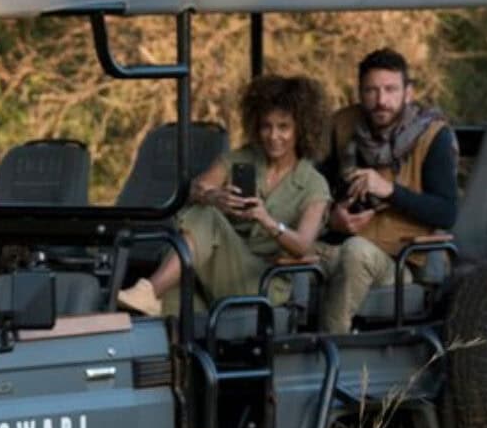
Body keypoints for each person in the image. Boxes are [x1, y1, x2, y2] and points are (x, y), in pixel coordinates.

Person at [117, 75, 332, 318]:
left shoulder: (314, 184)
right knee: (172, 300)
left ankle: (149, 290)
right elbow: (194, 190)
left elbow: (302, 245)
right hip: (215, 274)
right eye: (266, 126)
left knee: (206, 218)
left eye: (283, 127)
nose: (273, 136)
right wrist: (214, 197)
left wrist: (267, 220)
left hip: (263, 281)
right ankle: (149, 313)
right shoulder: (241, 158)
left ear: (300, 129)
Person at [316, 48, 459, 333]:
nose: (381, 100)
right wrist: (331, 218)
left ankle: (332, 346)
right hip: (341, 242)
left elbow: (446, 212)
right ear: (359, 93)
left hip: (404, 261)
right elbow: (313, 186)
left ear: (408, 93)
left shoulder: (431, 135)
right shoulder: (342, 125)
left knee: (357, 252)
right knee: (284, 248)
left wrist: (390, 191)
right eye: (371, 91)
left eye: (390, 90)